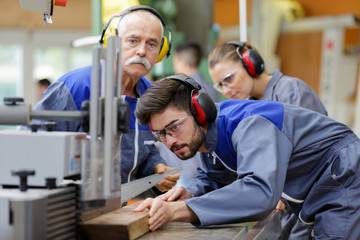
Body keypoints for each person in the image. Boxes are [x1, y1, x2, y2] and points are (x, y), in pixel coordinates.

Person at [133, 74, 360, 239]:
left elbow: (259, 193)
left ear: (200, 111)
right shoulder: (211, 140)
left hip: (342, 172)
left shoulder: (249, 124)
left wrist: (175, 211)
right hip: (314, 190)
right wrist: (189, 194)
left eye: (174, 127)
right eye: (160, 134)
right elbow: (213, 176)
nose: (170, 141)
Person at [30, 5, 179, 194]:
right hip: (68, 207)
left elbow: (145, 150)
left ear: (161, 50)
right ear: (112, 41)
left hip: (120, 211)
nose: (142, 51)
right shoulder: (74, 87)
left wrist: (156, 168)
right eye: (133, 41)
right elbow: (34, 147)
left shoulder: (151, 96)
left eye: (151, 44)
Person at [207, 41, 328, 239]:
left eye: (229, 78)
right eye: (220, 84)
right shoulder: (250, 110)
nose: (226, 89)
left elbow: (317, 152)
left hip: (315, 201)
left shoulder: (291, 91)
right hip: (290, 208)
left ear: (251, 64)